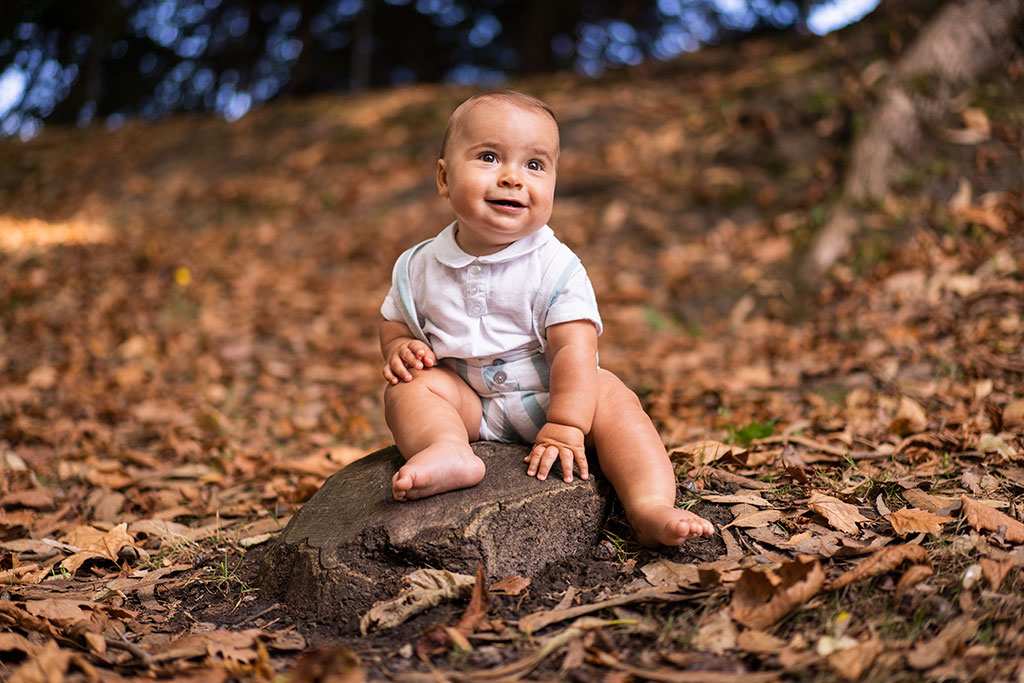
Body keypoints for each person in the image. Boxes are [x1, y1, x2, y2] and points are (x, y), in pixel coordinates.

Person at [379, 89, 714, 546]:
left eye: (534, 165)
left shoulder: (554, 266)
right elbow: (395, 320)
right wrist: (399, 347)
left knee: (613, 396)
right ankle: (448, 450)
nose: (513, 178)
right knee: (409, 389)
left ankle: (650, 504)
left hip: (549, 397)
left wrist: (567, 422)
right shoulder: (418, 265)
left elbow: (576, 349)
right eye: (490, 157)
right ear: (443, 177)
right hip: (468, 406)